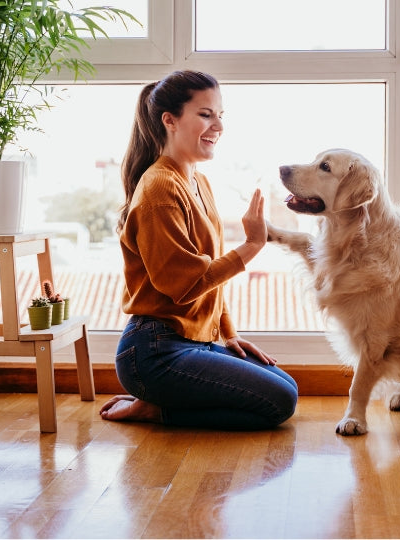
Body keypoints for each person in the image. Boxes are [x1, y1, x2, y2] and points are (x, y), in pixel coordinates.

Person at [99, 70, 298, 429]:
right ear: (170, 120)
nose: (218, 126)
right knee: (280, 402)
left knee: (287, 386)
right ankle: (155, 408)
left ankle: (160, 403)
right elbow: (184, 286)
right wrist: (253, 245)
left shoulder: (197, 181)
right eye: (206, 114)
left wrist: (228, 333)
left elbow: (209, 281)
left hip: (193, 340)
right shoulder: (159, 189)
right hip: (154, 350)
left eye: (220, 115)